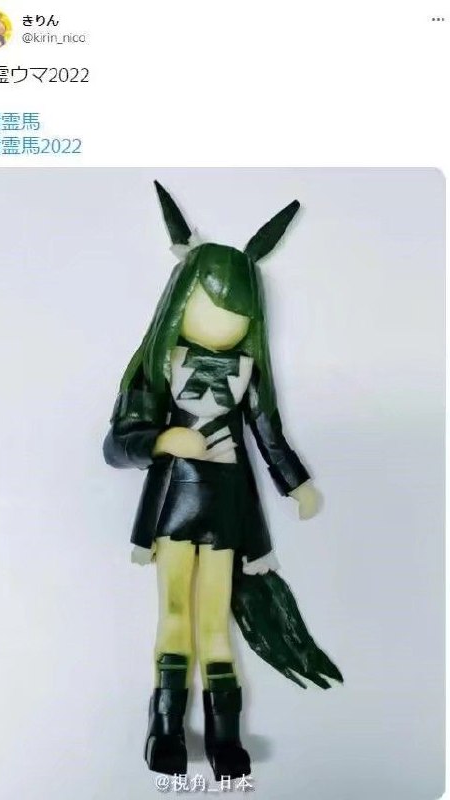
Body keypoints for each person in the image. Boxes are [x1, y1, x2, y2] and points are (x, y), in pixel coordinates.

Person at [103, 182, 343, 779]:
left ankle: (225, 736)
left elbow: (268, 433)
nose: (223, 323)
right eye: (211, 306)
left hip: (228, 508)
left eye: (236, 314)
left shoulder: (250, 371)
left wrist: (296, 484)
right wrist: (163, 440)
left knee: (214, 620)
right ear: (181, 297)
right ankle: (164, 729)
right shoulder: (159, 365)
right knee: (174, 611)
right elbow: (117, 444)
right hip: (173, 505)